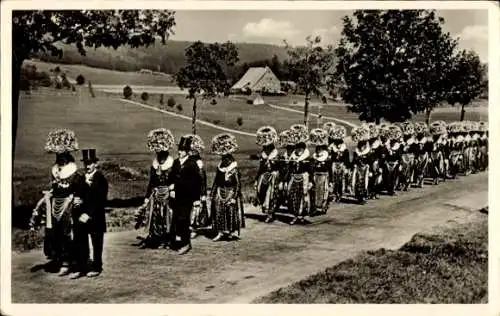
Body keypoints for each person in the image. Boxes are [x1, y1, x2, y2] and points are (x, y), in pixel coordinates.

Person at [29, 129, 85, 277]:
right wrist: (48, 195)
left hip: (68, 205)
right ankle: (58, 258)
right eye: (58, 156)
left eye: (62, 156)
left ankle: (68, 262)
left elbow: (79, 190)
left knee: (67, 233)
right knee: (55, 233)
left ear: (67, 157)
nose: (59, 158)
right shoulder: (54, 170)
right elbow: (54, 187)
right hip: (55, 204)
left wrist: (75, 198)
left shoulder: (75, 173)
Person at [70, 149, 108, 279]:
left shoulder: (101, 179)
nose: (87, 166)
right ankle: (82, 267)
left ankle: (97, 266)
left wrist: (89, 213)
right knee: (80, 240)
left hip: (95, 216)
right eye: (86, 163)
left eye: (90, 163)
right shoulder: (80, 179)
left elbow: (101, 200)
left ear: (96, 164)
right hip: (81, 216)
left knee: (96, 241)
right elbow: (78, 194)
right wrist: (76, 200)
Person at [134, 128, 176, 249]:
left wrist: (173, 189)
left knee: (168, 217)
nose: (158, 151)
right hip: (156, 194)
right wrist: (147, 197)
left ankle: (168, 239)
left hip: (168, 194)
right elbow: (151, 182)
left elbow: (176, 179)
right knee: (156, 217)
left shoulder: (172, 163)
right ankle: (158, 239)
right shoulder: (154, 164)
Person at [169, 135, 204, 255]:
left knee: (184, 219)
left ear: (187, 151)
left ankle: (186, 243)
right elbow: (172, 177)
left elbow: (197, 182)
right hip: (176, 196)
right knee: (177, 218)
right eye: (179, 150)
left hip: (187, 196)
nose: (180, 152)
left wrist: (196, 198)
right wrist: (171, 186)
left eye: (183, 150)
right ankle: (178, 240)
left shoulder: (192, 164)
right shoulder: (176, 163)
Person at [210, 133, 245, 241]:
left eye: (226, 157)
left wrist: (234, 197)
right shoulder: (220, 166)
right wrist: (212, 192)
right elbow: (216, 180)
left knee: (230, 211)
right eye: (223, 157)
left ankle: (230, 231)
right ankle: (220, 231)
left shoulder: (234, 167)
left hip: (230, 191)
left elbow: (238, 184)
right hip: (221, 191)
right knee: (218, 210)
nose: (224, 159)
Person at [183, 134, 209, 239]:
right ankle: (187, 227)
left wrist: (203, 193)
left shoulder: (198, 163)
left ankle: (194, 228)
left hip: (196, 189)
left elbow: (202, 179)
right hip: (187, 189)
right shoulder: (186, 161)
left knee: (195, 209)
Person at [286, 124, 313, 224]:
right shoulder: (293, 158)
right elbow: (290, 169)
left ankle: (301, 215)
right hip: (294, 178)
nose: (298, 150)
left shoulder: (307, 158)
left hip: (304, 178)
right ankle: (295, 215)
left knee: (303, 197)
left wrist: (311, 181)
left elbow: (310, 170)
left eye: (300, 148)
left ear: (303, 149)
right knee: (293, 196)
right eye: (297, 148)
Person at [254, 126, 280, 223]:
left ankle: (270, 213)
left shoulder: (276, 154)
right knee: (262, 192)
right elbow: (261, 168)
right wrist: (257, 179)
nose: (266, 149)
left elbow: (280, 167)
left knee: (271, 194)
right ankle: (268, 211)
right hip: (264, 175)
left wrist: (275, 162)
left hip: (273, 176)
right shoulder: (263, 155)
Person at [309, 128, 332, 214]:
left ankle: (323, 206)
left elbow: (330, 169)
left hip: (324, 176)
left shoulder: (327, 158)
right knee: (315, 192)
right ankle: (314, 207)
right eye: (317, 149)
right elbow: (311, 168)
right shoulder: (313, 158)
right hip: (316, 176)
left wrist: (331, 181)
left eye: (320, 149)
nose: (318, 150)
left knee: (324, 191)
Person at [328, 125, 350, 202]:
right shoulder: (331, 147)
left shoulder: (344, 148)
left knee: (341, 180)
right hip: (334, 165)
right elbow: (329, 157)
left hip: (341, 165)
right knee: (334, 180)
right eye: (337, 143)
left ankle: (340, 194)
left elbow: (346, 159)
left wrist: (346, 167)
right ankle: (334, 194)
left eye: (339, 143)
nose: (338, 144)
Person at [350, 126, 371, 204]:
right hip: (358, 168)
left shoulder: (368, 150)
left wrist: (369, 167)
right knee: (358, 181)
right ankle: (359, 197)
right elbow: (354, 159)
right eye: (361, 145)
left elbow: (370, 160)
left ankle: (364, 197)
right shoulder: (356, 151)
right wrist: (354, 165)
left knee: (365, 182)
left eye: (363, 145)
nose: (362, 147)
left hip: (365, 168)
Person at [276, 129, 294, 212]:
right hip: (283, 176)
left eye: (291, 148)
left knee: (289, 188)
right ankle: (280, 201)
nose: (289, 150)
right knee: (280, 187)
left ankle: (291, 204)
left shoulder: (294, 157)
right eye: (288, 148)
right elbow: (280, 167)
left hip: (291, 176)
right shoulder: (283, 156)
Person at [365, 123, 383, 199]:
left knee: (376, 178)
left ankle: (375, 192)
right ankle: (369, 192)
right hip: (368, 162)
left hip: (375, 162)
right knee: (369, 178)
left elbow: (380, 155)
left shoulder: (378, 144)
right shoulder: (366, 143)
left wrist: (379, 164)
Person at [384, 125, 403, 195]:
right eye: (392, 142)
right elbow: (385, 156)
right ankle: (389, 189)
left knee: (394, 177)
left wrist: (399, 164)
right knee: (387, 177)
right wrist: (386, 162)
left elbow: (399, 157)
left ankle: (392, 190)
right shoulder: (387, 146)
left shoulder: (398, 147)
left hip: (395, 164)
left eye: (394, 142)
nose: (392, 143)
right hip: (388, 164)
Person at [398, 121, 415, 191]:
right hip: (403, 156)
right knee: (403, 171)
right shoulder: (401, 139)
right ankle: (402, 183)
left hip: (409, 156)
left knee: (409, 170)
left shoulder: (411, 139)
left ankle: (406, 184)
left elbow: (413, 149)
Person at [412, 122, 429, 188]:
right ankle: (417, 181)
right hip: (418, 155)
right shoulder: (415, 139)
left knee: (422, 169)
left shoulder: (425, 139)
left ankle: (421, 182)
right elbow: (414, 149)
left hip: (424, 155)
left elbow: (427, 149)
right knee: (417, 168)